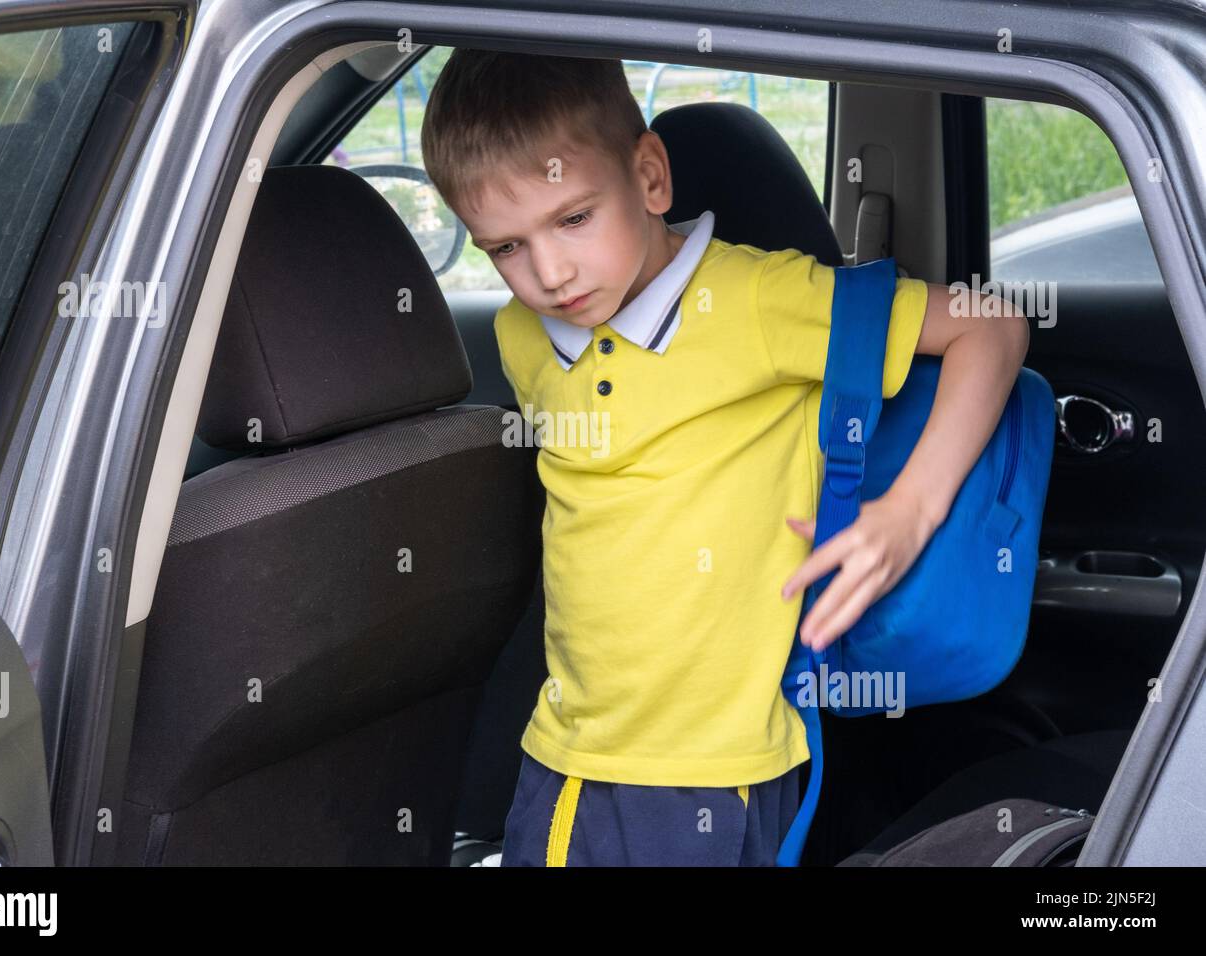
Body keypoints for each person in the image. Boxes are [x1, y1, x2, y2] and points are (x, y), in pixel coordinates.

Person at [420, 50, 1029, 865]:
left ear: (650, 178)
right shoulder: (522, 335)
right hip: (577, 757)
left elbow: (992, 326)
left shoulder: (758, 300)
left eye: (573, 218)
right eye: (504, 248)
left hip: (737, 766)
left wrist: (911, 511)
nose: (549, 274)